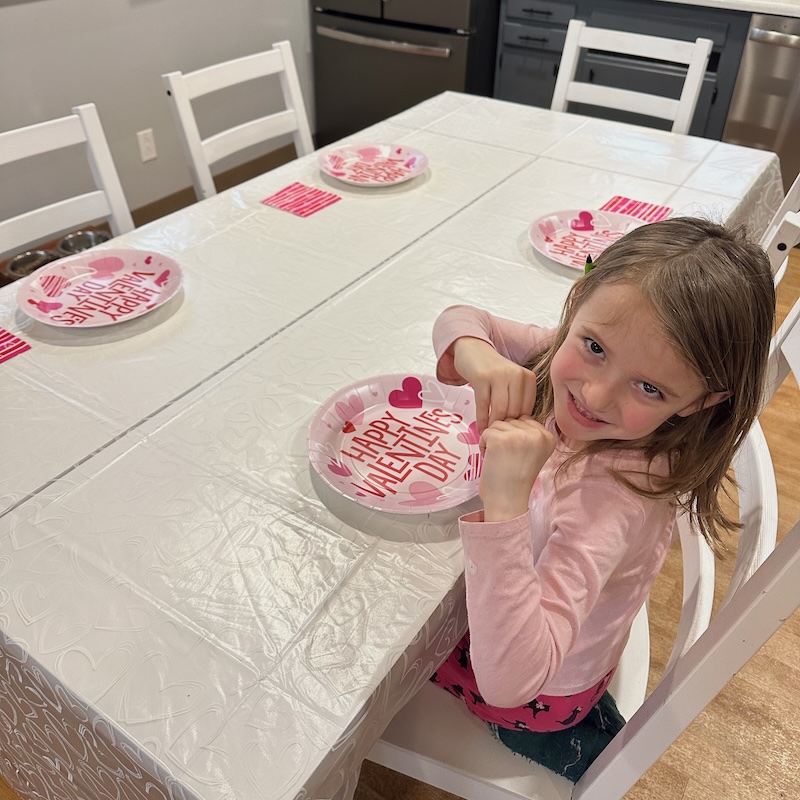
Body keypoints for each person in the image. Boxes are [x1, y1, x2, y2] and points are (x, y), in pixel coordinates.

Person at [429, 217, 776, 779]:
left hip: (535, 694)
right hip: (552, 631)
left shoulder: (612, 499)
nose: (595, 394)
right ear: (579, 299)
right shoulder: (588, 347)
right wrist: (480, 356)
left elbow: (512, 682)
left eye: (649, 388)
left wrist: (506, 506)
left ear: (700, 402)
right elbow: (461, 318)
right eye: (593, 347)